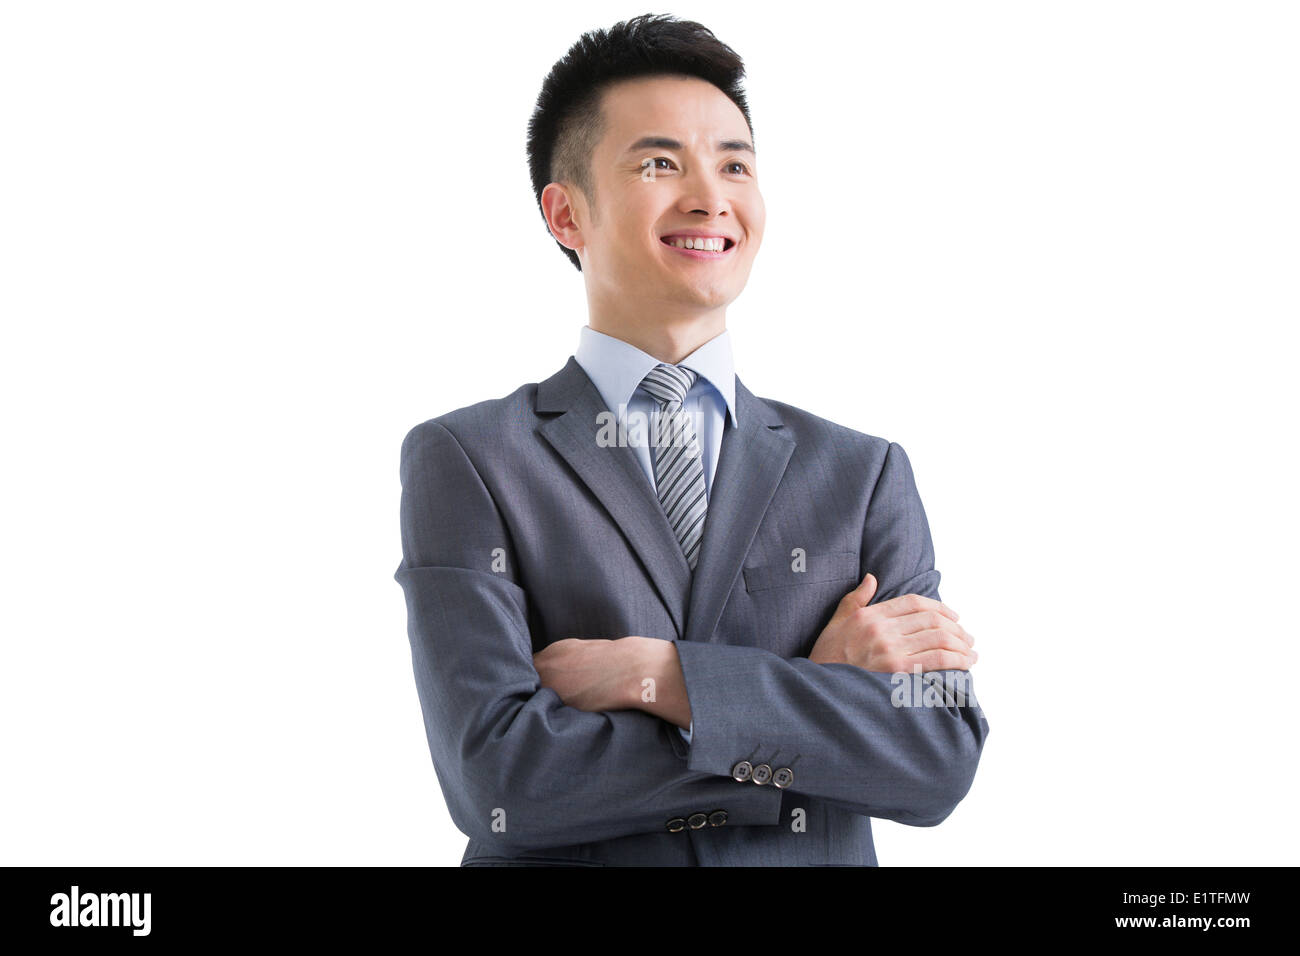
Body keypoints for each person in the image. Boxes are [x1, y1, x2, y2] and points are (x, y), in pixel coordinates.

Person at [394, 12, 989, 867]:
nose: (711, 195)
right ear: (566, 214)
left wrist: (659, 678)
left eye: (735, 163)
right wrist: (813, 703)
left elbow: (937, 759)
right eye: (660, 162)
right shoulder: (471, 459)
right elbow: (499, 779)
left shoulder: (863, 473)